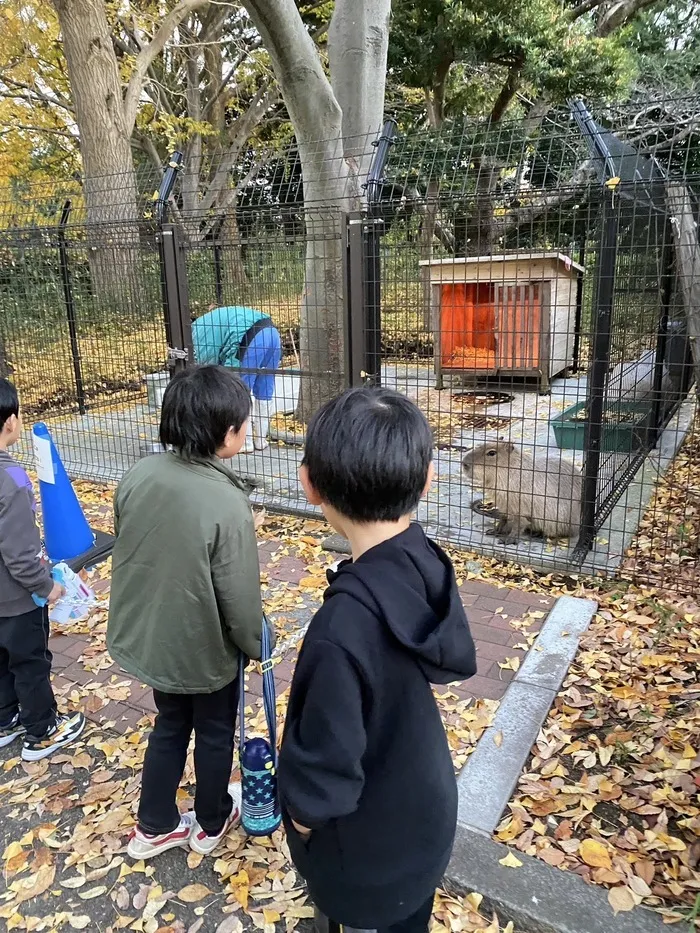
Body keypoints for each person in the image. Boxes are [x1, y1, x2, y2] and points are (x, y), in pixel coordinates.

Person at [279, 387, 477, 933]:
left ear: (309, 484)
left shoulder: (340, 632)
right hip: (424, 823)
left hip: (369, 858)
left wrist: (302, 823)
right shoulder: (424, 566)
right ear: (429, 480)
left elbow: (322, 772)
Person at [107, 365, 266, 860]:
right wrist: (259, 641)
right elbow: (239, 600)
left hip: (156, 638)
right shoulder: (226, 502)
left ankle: (154, 825)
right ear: (225, 433)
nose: (247, 430)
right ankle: (212, 820)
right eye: (244, 424)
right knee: (215, 732)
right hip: (204, 650)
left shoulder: (140, 474)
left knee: (170, 724)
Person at [0, 379, 86, 761]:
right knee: (30, 662)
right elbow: (19, 552)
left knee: (1, 660)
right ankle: (42, 730)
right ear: (10, 421)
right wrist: (45, 584)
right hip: (17, 599)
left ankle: (6, 719)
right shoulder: (13, 478)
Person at [192, 305, 282, 453]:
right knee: (265, 388)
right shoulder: (208, 321)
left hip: (250, 337)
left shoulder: (196, 332)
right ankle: (260, 440)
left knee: (239, 391)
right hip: (272, 332)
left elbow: (207, 364)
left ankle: (244, 442)